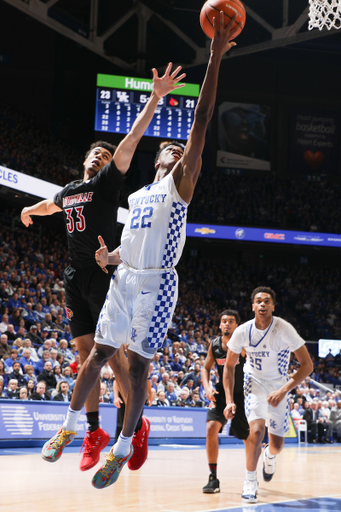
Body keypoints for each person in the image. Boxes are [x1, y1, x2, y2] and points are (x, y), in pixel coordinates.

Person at [41, 13, 239, 490]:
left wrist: (214, 54)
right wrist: (111, 259)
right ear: (157, 160)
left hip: (158, 283)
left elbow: (202, 119)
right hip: (126, 276)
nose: (177, 150)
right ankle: (69, 427)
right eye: (169, 149)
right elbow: (132, 242)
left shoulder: (181, 184)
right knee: (96, 355)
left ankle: (123, 448)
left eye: (181, 148)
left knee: (137, 366)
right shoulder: (136, 197)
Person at [223, 286, 313, 503]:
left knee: (278, 444)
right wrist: (229, 400)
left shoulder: (284, 328)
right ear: (252, 306)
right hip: (253, 382)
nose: (262, 304)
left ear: (273, 306)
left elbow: (307, 366)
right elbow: (229, 366)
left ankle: (270, 457)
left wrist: (283, 390)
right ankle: (250, 482)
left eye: (266, 301)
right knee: (256, 430)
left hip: (279, 386)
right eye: (258, 301)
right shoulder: (243, 331)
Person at [201, 310, 250, 494]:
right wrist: (207, 387)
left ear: (237, 325)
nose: (227, 324)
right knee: (210, 428)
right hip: (222, 393)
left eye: (231, 321)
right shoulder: (214, 345)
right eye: (224, 321)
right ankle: (213, 478)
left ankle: (250, 478)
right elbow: (205, 368)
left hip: (243, 394)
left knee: (248, 438)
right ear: (220, 325)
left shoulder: (243, 345)